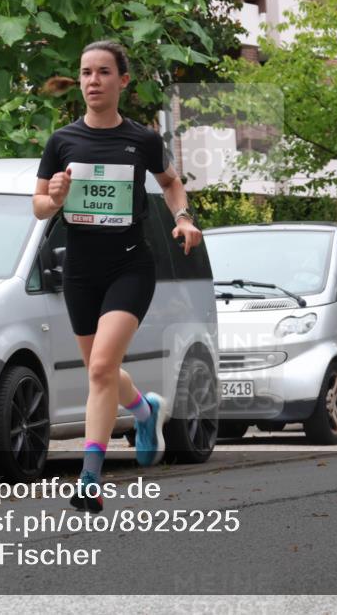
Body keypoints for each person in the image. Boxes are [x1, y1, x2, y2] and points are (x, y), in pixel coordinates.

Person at [33, 41, 203, 511]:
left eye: (103, 72)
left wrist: (183, 218)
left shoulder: (142, 140)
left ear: (122, 81)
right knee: (100, 371)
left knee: (103, 368)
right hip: (81, 270)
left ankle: (90, 477)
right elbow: (40, 205)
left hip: (130, 265)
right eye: (86, 72)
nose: (93, 81)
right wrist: (58, 196)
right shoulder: (62, 141)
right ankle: (145, 412)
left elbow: (170, 183)